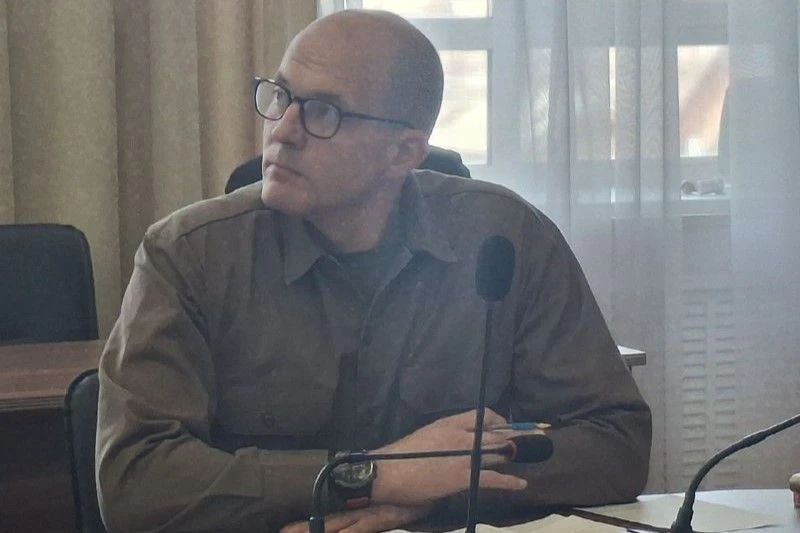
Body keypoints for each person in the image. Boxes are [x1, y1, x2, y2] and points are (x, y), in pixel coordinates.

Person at [96, 9, 651, 533]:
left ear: (403, 153)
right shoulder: (189, 254)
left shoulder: (505, 238)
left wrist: (437, 492)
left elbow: (616, 442)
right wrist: (375, 476)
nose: (282, 131)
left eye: (323, 112)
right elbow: (135, 480)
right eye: (281, 97)